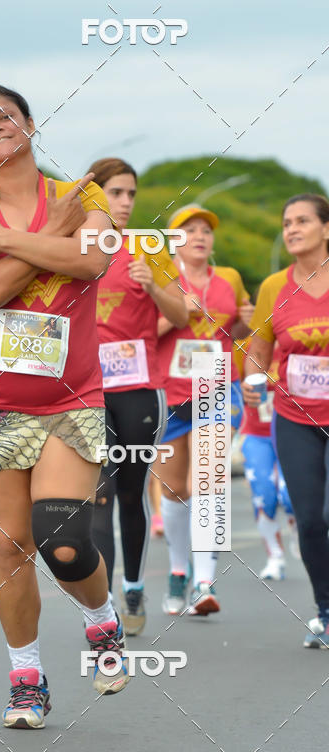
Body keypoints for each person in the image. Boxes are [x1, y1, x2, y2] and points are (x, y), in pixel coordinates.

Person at [0, 84, 130, 729]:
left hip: (70, 398)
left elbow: (93, 264)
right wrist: (51, 239)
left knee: (65, 541)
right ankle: (27, 679)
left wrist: (10, 242)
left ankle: (102, 621)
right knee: (9, 544)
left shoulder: (84, 197)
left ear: (29, 124)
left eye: (6, 117)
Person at [88, 157, 188, 636]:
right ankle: (105, 603)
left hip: (138, 390)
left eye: (131, 194)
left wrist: (154, 287)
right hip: (87, 391)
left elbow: (183, 315)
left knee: (130, 493)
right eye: (116, 193)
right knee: (100, 493)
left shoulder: (148, 249)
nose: (125, 202)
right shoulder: (75, 248)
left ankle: (132, 585)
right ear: (94, 195)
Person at [156, 205, 254, 616]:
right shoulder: (161, 277)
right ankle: (179, 572)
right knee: (173, 489)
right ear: (173, 238)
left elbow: (239, 330)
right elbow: (138, 331)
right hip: (168, 389)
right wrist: (181, 312)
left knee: (209, 483)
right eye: (189, 229)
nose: (199, 236)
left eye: (205, 231)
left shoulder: (229, 278)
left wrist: (246, 325)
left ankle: (204, 581)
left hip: (214, 380)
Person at [244, 193, 329, 648]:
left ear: (326, 228)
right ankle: (326, 610)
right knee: (311, 518)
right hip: (295, 415)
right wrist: (252, 378)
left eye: (302, 221)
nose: (292, 228)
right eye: (286, 222)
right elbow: (259, 346)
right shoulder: (275, 286)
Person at [235, 337, 299, 580]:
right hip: (256, 434)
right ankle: (275, 556)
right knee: (264, 494)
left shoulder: (296, 341)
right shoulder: (245, 345)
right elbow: (229, 380)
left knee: (289, 493)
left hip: (291, 430)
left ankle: (299, 530)